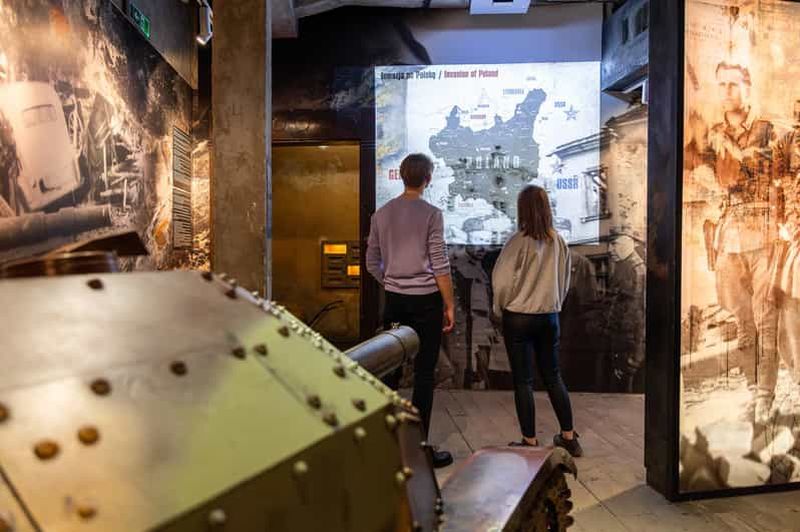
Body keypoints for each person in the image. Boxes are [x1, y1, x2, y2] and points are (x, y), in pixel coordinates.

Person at [366, 153, 456, 468]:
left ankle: (387, 446)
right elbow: (439, 263)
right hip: (427, 301)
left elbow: (370, 262)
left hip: (395, 301)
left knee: (389, 372)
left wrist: (391, 280)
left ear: (402, 176)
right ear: (427, 179)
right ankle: (417, 450)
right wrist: (449, 303)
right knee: (423, 375)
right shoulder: (432, 214)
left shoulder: (382, 214)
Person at [491, 185, 582, 457]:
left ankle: (529, 441)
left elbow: (502, 280)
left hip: (519, 317)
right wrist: (554, 305)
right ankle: (568, 437)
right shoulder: (559, 241)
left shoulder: (517, 241)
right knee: (553, 376)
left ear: (522, 209)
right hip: (549, 317)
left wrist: (500, 308)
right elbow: (564, 281)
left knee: (523, 381)